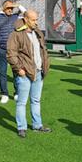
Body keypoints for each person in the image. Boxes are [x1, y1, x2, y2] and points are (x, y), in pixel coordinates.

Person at [6, 9, 52, 138]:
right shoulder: (16, 35)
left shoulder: (37, 33)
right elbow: (11, 54)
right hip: (25, 73)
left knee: (36, 100)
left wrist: (45, 65)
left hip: (39, 72)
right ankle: (22, 127)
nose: (36, 22)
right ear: (25, 19)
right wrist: (19, 69)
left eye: (36, 19)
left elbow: (43, 50)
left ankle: (37, 125)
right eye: (33, 20)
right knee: (22, 102)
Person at [0, 0, 25, 104]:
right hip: (2, 49)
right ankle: (4, 94)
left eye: (12, 8)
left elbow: (27, 14)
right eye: (9, 8)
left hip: (14, 49)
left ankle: (17, 92)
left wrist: (18, 5)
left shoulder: (16, 16)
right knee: (2, 73)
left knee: (16, 72)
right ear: (4, 8)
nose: (11, 10)